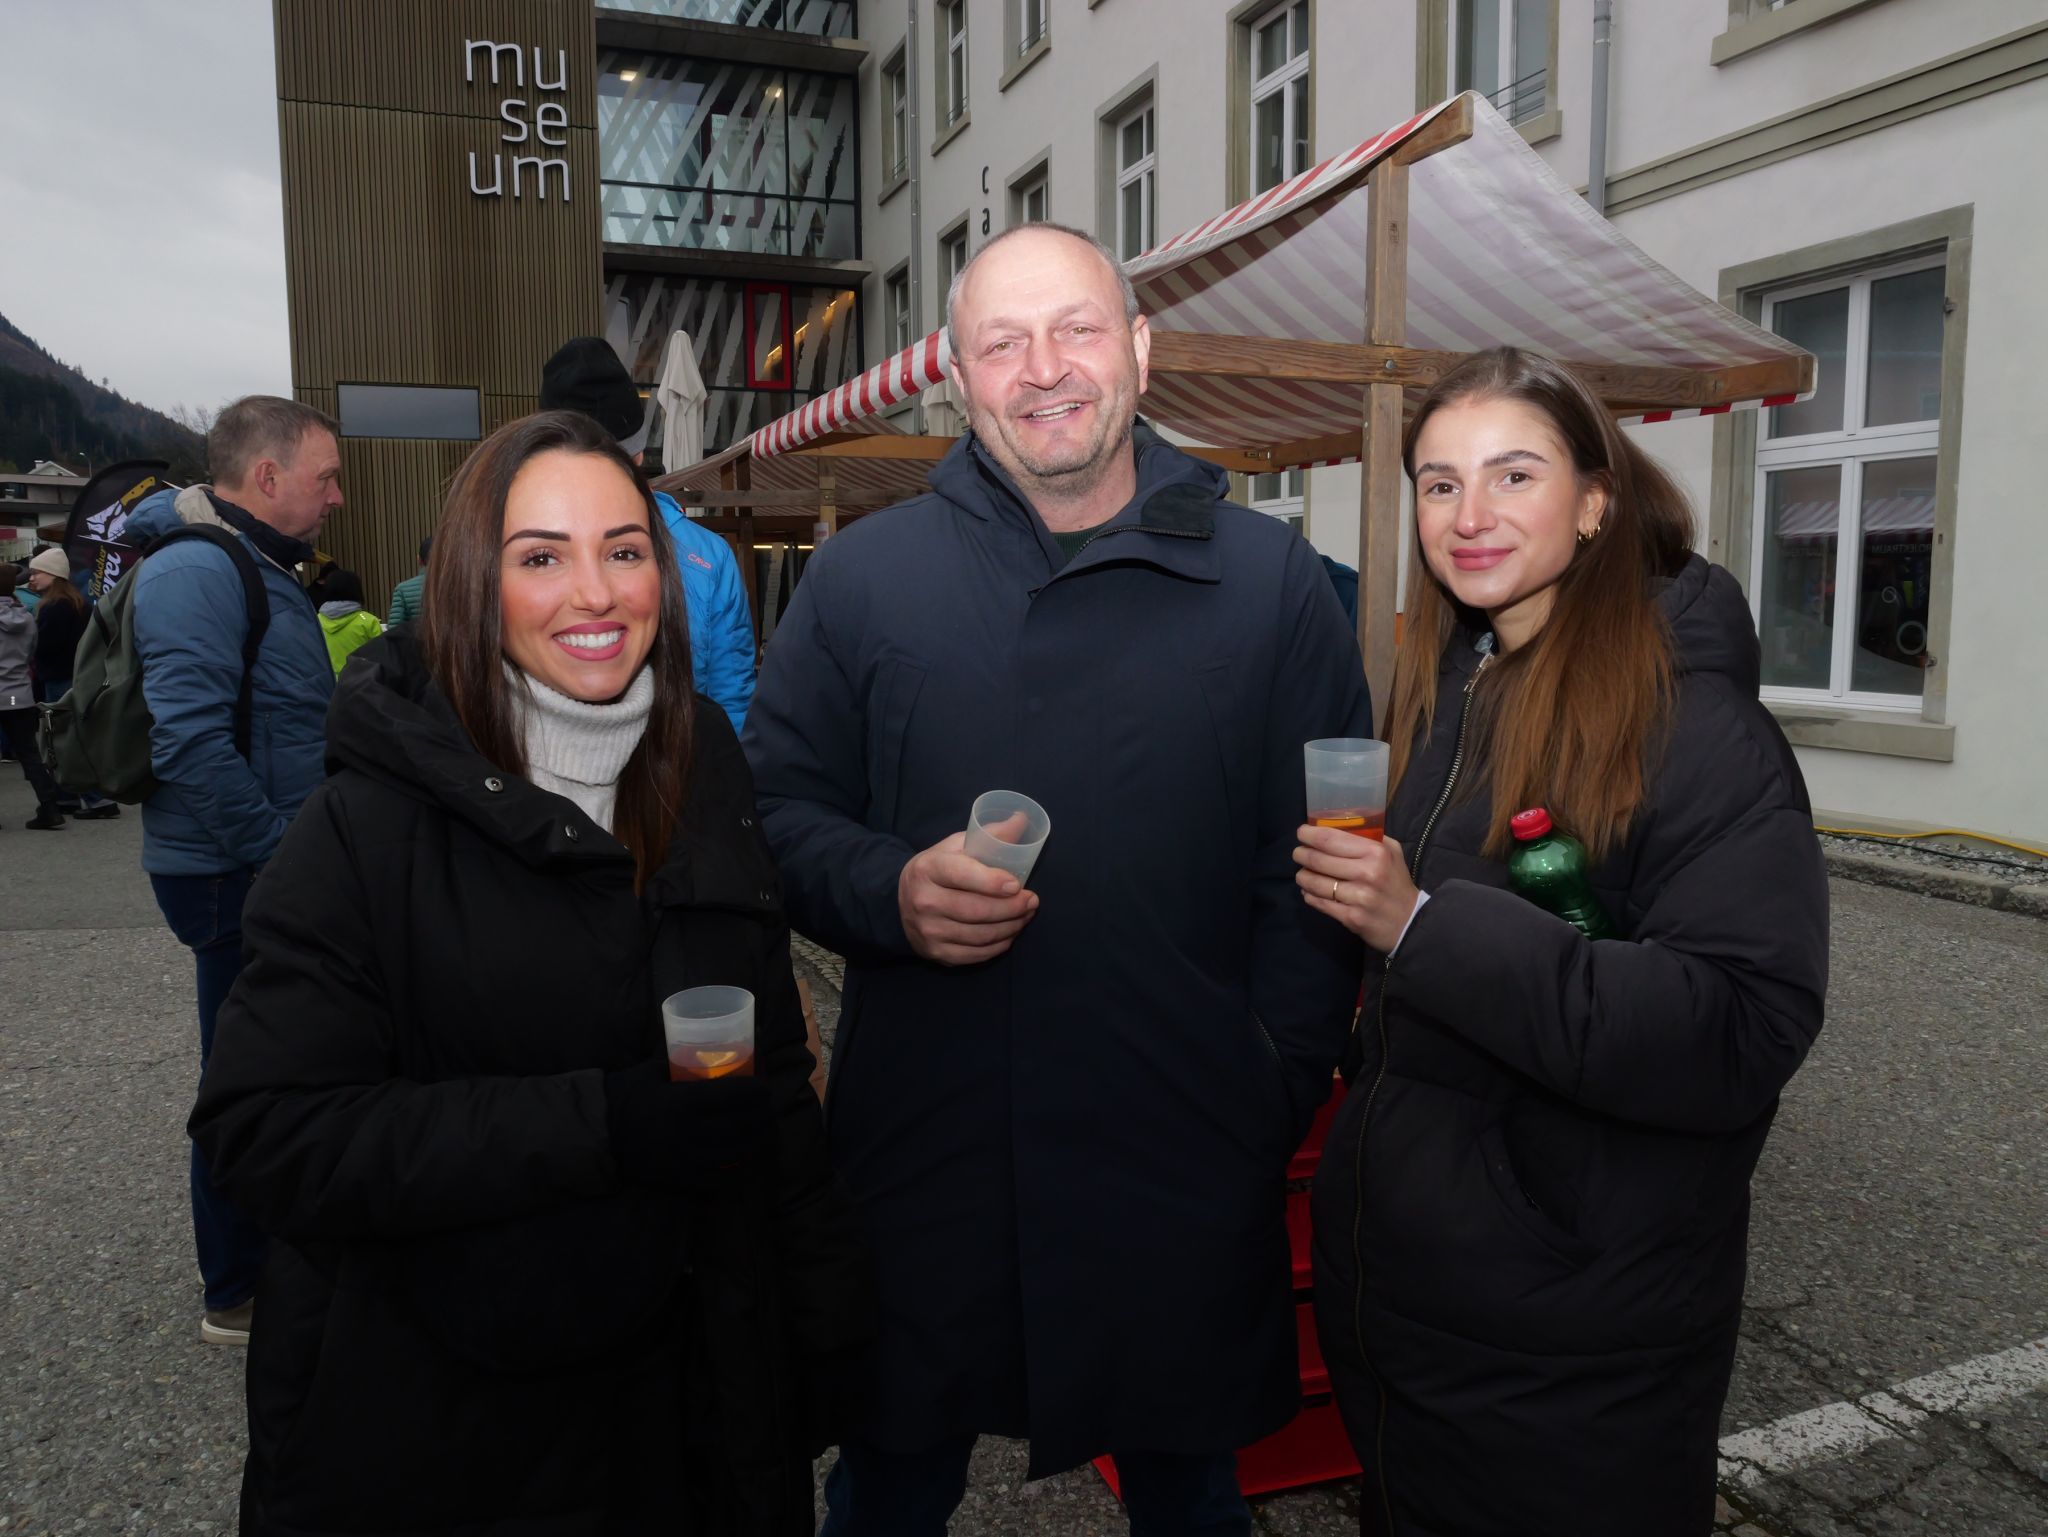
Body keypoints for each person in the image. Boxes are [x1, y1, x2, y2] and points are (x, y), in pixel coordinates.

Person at [743, 222, 1369, 1535]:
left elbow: (1310, 867)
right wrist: (891, 888)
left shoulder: (1274, 586)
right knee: (890, 1480)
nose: (1045, 370)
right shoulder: (863, 581)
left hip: (1181, 1148)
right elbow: (772, 815)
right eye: (1003, 342)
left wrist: (1275, 1078)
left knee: (1192, 1492)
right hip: (929, 1148)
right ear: (961, 382)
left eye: (1076, 329)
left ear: (1139, 351)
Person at [188, 409, 873, 1536]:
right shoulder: (365, 821)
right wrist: (602, 1123)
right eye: (541, 556)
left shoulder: (700, 761)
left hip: (697, 1394)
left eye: (623, 548)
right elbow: (267, 1136)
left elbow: (774, 1066)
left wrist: (825, 1304)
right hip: (459, 1422)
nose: (594, 594)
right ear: (471, 581)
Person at [1296, 347, 1828, 1536]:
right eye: (1436, 483)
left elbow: (1737, 1028)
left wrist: (1421, 929)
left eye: (1510, 474)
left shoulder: (1699, 729)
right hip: (1421, 1329)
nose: (1466, 515)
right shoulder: (1462, 690)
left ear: (1595, 500)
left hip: (1573, 1353)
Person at [126, 395, 343, 1346]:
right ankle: (237, 1287)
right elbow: (188, 744)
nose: (337, 496)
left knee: (274, 1058)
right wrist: (279, 849)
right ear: (267, 476)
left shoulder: (246, 561)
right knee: (243, 1073)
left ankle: (271, 1255)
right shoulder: (200, 569)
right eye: (326, 477)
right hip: (230, 868)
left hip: (248, 858)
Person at [539, 336, 757, 732]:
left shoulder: (507, 545)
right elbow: (733, 701)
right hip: (687, 776)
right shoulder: (710, 555)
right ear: (640, 453)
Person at [23, 547, 119, 820]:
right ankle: (67, 796)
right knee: (66, 736)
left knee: (66, 739)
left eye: (37, 572)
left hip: (58, 678)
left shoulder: (55, 608)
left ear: (53, 575)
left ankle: (96, 799)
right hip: (77, 676)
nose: (32, 578)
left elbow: (45, 647)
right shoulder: (78, 604)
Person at [0, 564, 69, 829]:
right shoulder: (27, 616)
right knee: (29, 754)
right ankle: (51, 807)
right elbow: (31, 653)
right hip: (18, 694)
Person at [314, 567, 382, 674]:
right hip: (362, 684)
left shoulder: (315, 621)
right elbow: (381, 657)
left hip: (326, 685)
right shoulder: (369, 621)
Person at [386, 533, 430, 626]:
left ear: (419, 559)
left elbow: (394, 631)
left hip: (415, 640)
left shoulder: (402, 590)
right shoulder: (460, 587)